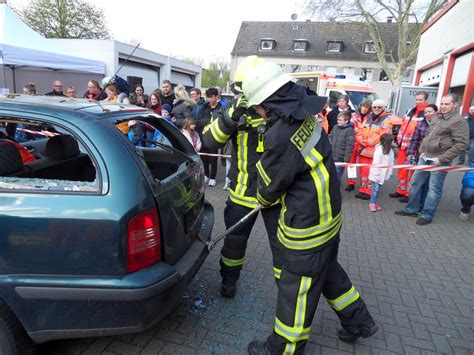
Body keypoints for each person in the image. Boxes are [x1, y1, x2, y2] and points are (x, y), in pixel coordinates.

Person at [241, 61, 377, 354]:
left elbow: (268, 189)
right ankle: (359, 321)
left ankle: (285, 347)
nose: (258, 114)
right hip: (329, 217)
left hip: (307, 225)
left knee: (296, 288)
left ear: (269, 102)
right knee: (327, 270)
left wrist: (261, 196)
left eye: (258, 108)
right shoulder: (305, 116)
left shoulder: (279, 135)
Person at [202, 56, 284, 298]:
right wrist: (232, 116)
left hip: (275, 196)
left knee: (282, 249)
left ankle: (287, 293)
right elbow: (209, 140)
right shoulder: (234, 111)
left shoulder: (279, 112)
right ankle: (228, 281)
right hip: (242, 193)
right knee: (234, 243)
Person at [395, 94, 469, 225]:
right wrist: (422, 151)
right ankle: (411, 209)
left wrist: (442, 159)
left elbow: (462, 144)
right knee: (414, 184)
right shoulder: (438, 118)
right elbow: (427, 136)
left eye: (447, 104)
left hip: (440, 159)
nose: (443, 106)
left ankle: (427, 214)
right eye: (442, 104)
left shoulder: (459, 121)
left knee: (434, 189)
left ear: (455, 105)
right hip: (425, 157)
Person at [390, 91, 429, 203]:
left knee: (411, 172)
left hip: (414, 148)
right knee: (402, 170)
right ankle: (401, 190)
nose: (418, 101)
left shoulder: (426, 113)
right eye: (416, 99)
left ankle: (409, 193)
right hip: (403, 146)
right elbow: (403, 126)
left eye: (420, 99)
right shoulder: (410, 111)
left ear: (426, 100)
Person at [355, 99, 392, 200]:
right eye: (375, 107)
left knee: (373, 173)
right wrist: (360, 139)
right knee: (363, 172)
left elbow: (383, 135)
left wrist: (366, 142)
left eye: (379, 107)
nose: (376, 109)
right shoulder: (369, 118)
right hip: (363, 150)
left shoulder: (386, 120)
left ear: (384, 108)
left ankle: (369, 191)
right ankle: (363, 189)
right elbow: (360, 130)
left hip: (375, 152)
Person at [199, 87, 223, 187]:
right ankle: (206, 175)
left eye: (211, 97)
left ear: (217, 96)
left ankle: (212, 178)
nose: (209, 99)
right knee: (203, 156)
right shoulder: (204, 107)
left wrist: (209, 121)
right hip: (204, 135)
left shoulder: (221, 108)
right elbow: (199, 120)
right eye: (208, 97)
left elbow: (220, 122)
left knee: (213, 158)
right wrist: (209, 121)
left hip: (214, 136)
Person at [345, 100, 372, 191]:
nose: (364, 109)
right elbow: (351, 126)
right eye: (363, 106)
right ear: (360, 106)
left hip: (363, 144)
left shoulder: (370, 117)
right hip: (353, 142)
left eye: (367, 107)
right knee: (351, 164)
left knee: (363, 166)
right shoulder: (354, 115)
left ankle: (363, 184)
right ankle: (351, 183)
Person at [368, 134, 394, 212]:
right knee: (375, 190)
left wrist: (390, 172)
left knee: (377, 190)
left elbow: (391, 162)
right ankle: (372, 203)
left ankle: (374, 202)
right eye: (392, 141)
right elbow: (376, 163)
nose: (394, 142)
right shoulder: (379, 151)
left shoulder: (391, 151)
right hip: (377, 174)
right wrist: (377, 174)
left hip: (383, 175)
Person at [328, 110, 355, 181]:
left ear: (346, 121)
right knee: (330, 176)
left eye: (340, 120)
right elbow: (330, 137)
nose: (338, 121)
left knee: (337, 178)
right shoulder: (335, 127)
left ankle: (336, 191)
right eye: (338, 119)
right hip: (332, 156)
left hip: (340, 159)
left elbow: (349, 146)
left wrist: (346, 160)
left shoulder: (350, 130)